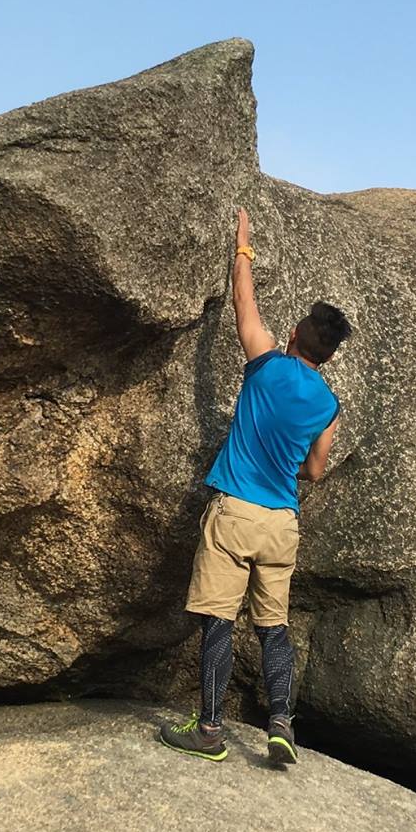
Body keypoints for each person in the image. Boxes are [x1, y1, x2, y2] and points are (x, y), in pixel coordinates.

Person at [162, 206, 351, 766]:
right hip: (281, 525)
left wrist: (242, 245)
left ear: (293, 334)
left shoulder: (266, 364)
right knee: (274, 628)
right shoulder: (328, 404)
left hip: (236, 514)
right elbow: (315, 470)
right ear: (329, 356)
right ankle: (282, 725)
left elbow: (243, 301)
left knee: (218, 622)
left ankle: (210, 730)